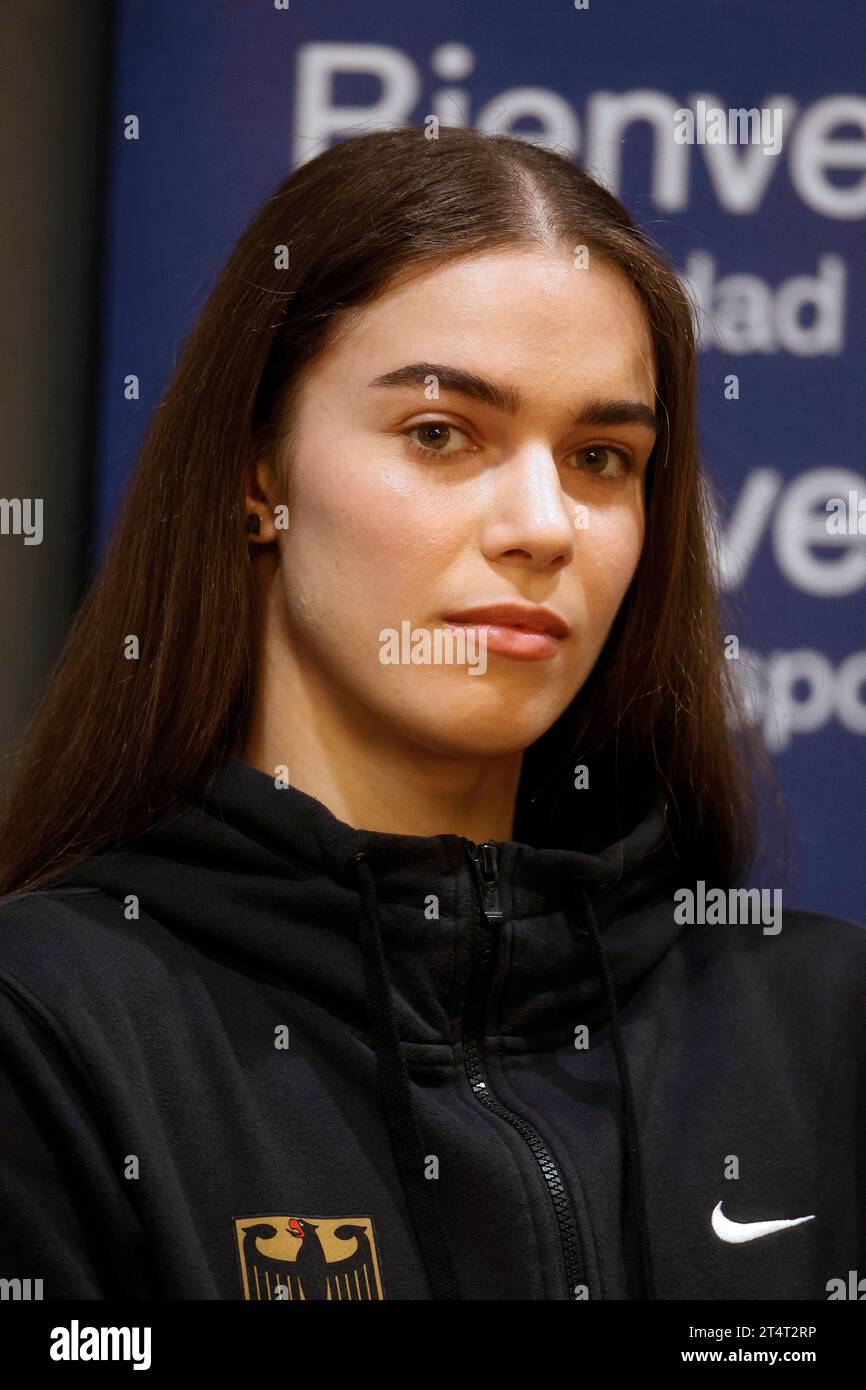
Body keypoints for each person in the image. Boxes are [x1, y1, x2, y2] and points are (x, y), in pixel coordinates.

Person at [0, 125, 862, 1302]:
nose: (543, 524)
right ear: (262, 477)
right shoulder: (49, 1029)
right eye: (441, 433)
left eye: (602, 456)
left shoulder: (819, 1032)